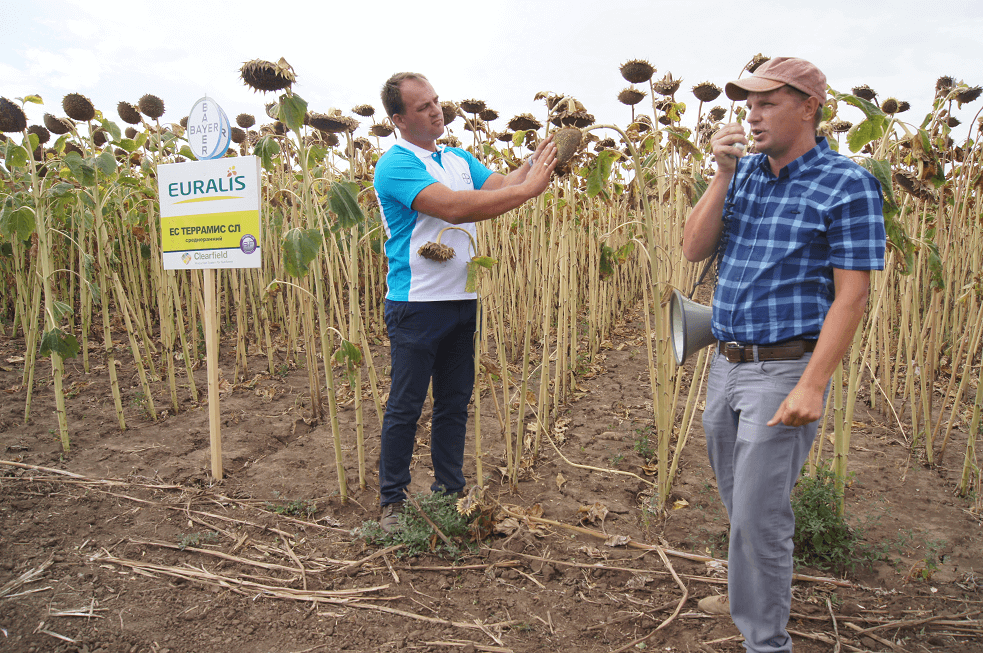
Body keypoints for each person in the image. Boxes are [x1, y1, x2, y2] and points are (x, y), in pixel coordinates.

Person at [682, 57, 886, 652]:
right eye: (749, 104)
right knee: (738, 500)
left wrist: (813, 384)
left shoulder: (847, 183)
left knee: (758, 514)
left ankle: (766, 642)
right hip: (725, 363)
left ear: (808, 108)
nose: (753, 114)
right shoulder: (743, 175)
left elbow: (853, 294)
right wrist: (720, 175)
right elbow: (694, 249)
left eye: (768, 102)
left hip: (784, 369)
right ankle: (753, 589)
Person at [373, 72, 558, 533]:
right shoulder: (395, 165)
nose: (436, 110)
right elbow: (455, 207)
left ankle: (449, 492)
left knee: (455, 401)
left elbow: (498, 185)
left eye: (436, 101)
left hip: (461, 298)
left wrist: (537, 162)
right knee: (406, 405)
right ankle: (391, 501)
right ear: (398, 119)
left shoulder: (456, 157)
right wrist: (529, 190)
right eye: (422, 107)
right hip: (416, 303)